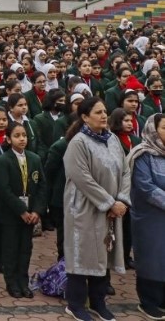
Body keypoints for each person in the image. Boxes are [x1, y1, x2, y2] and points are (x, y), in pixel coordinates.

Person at [63, 97, 130, 321]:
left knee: (104, 253)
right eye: (98, 112)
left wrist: (121, 200)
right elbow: (82, 178)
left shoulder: (112, 140)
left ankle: (98, 301)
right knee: (83, 254)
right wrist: (109, 202)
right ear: (84, 117)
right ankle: (75, 304)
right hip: (84, 208)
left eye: (105, 111)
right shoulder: (78, 143)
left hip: (111, 209)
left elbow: (125, 172)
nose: (104, 115)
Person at [0, 122, 46, 298]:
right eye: (17, 135)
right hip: (11, 214)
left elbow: (42, 186)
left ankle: (23, 282)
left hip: (30, 215)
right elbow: (3, 190)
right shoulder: (3, 160)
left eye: (24, 135)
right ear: (8, 138)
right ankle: (11, 283)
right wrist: (22, 210)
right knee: (10, 249)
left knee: (25, 249)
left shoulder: (34, 158)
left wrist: (36, 211)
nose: (22, 139)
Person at [126, 114, 165, 320]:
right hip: (149, 218)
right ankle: (148, 301)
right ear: (153, 130)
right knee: (152, 258)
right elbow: (145, 187)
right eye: (164, 128)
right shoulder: (142, 154)